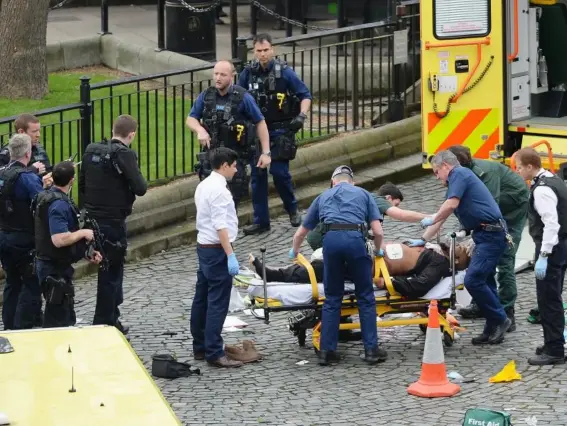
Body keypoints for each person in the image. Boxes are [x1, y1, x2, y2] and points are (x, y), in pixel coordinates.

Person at [290, 165, 387, 366]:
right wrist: (377, 251)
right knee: (365, 297)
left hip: (331, 243)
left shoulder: (323, 197)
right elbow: (378, 232)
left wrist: (295, 251)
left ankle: (327, 351)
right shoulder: (364, 195)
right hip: (355, 241)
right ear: (352, 181)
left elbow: (300, 233)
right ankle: (371, 350)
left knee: (332, 297)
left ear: (333, 181)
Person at [420, 150, 512, 345]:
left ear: (445, 165)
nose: (437, 177)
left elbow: (450, 205)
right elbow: (446, 211)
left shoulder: (459, 174)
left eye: (436, 172)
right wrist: (422, 239)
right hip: (484, 234)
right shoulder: (459, 179)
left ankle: (500, 319)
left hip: (491, 235)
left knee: (474, 280)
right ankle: (491, 329)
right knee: (486, 282)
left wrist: (433, 219)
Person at [78, 114, 148, 335]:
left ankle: (111, 317)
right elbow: (140, 187)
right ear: (132, 135)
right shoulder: (124, 154)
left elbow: (82, 183)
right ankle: (104, 322)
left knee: (109, 270)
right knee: (111, 272)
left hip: (92, 218)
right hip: (113, 221)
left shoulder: (91, 150)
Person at [447, 145, 529, 331]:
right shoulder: (461, 174)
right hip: (492, 215)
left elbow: (489, 206)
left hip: (512, 208)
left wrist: (473, 232)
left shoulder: (486, 174)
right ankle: (483, 304)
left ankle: (507, 311)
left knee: (504, 258)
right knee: (484, 255)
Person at [237, 33, 313, 235]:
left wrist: (302, 116)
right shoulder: (248, 73)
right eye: (259, 51)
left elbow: (305, 95)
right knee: (257, 176)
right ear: (254, 52)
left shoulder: (285, 73)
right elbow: (238, 97)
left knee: (280, 173)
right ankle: (261, 221)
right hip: (256, 132)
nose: (262, 54)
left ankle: (292, 208)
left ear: (273, 50)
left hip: (279, 130)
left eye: (266, 50)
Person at [249, 240, 472, 299]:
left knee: (322, 269)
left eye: (462, 252)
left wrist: (389, 284)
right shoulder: (436, 250)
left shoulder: (440, 265)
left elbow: (421, 285)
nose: (461, 246)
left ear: (457, 263)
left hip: (370, 266)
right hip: (368, 254)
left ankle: (273, 274)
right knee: (322, 265)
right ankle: (276, 272)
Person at [187, 60, 271, 209]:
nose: (218, 78)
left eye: (223, 75)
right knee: (210, 203)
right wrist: (200, 130)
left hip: (234, 158)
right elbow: (191, 118)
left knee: (229, 205)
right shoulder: (207, 96)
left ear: (232, 76)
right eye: (216, 74)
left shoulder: (243, 97)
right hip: (212, 157)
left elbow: (260, 123)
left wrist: (266, 153)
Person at [191, 147, 243, 368]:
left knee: (201, 297)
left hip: (204, 246)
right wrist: (230, 254)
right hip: (216, 249)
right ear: (224, 166)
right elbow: (221, 225)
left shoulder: (203, 185)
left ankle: (200, 346)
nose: (236, 169)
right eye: (234, 165)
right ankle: (214, 351)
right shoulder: (220, 191)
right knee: (217, 302)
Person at [514, 147, 567, 365]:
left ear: (529, 166)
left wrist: (544, 254)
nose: (517, 172)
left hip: (552, 248)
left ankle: (554, 350)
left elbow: (551, 224)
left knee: (548, 299)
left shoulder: (541, 190)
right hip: (562, 245)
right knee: (552, 296)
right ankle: (553, 342)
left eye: (519, 168)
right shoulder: (553, 179)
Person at [34, 161, 102, 328]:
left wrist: (86, 252)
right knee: (59, 319)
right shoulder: (58, 204)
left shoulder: (44, 195)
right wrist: (83, 233)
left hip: (52, 264)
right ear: (72, 180)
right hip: (53, 267)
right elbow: (59, 240)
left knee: (61, 313)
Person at [0, 134, 48, 330]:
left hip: (4, 235)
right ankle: (24, 327)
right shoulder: (27, 178)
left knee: (12, 281)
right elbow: (41, 205)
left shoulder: (2, 173)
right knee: (31, 284)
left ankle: (9, 325)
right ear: (28, 153)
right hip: (24, 239)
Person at [306, 182, 429, 251]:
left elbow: (377, 234)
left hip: (323, 233)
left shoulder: (373, 207)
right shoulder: (378, 201)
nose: (395, 208)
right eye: (395, 204)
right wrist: (429, 216)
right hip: (322, 235)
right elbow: (401, 215)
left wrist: (381, 247)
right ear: (388, 198)